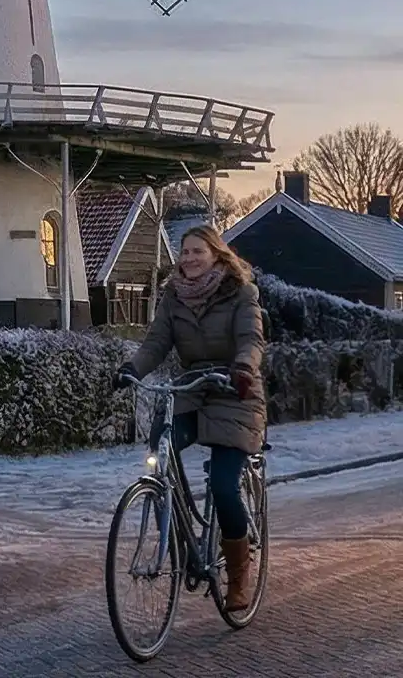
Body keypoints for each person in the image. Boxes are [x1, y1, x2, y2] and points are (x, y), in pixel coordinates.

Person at [114, 225, 266, 612]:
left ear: (216, 254)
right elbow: (156, 342)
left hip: (235, 389)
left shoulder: (240, 292)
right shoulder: (174, 296)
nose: (190, 258)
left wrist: (243, 368)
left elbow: (251, 340)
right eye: (185, 252)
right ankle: (175, 522)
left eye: (198, 251)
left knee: (223, 485)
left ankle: (239, 577)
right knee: (161, 443)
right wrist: (133, 368)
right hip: (193, 387)